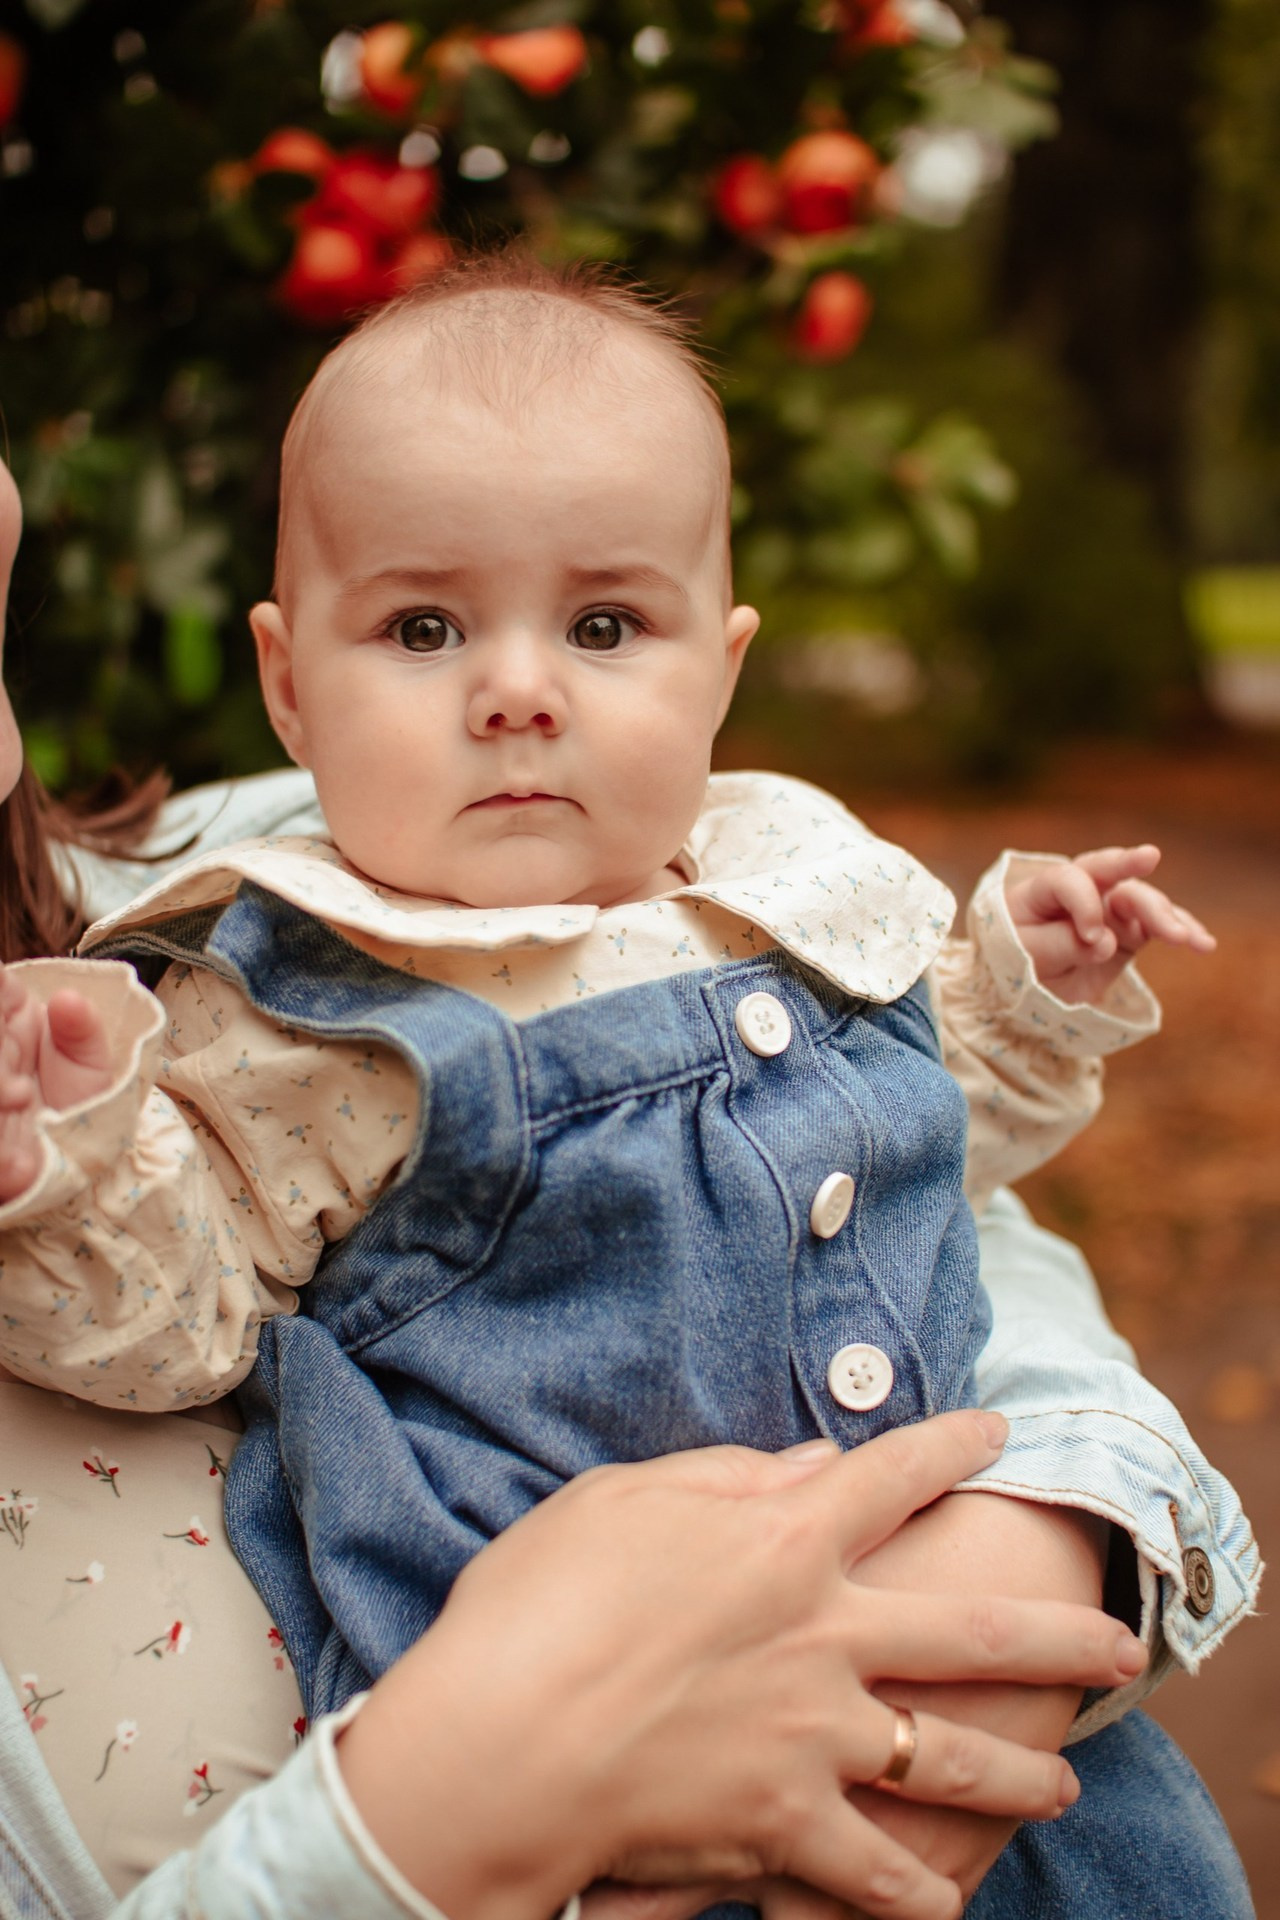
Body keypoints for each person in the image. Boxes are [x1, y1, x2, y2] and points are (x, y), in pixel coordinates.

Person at [0, 257, 1257, 1916]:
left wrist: (1025, 994)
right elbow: (182, 1320)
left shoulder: (766, 895)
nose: (518, 689)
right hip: (603, 1799)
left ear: (721, 672)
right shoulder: (290, 998)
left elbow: (936, 1156)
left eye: (603, 626)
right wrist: (70, 1153)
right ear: (290, 683)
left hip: (993, 1715)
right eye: (423, 627)